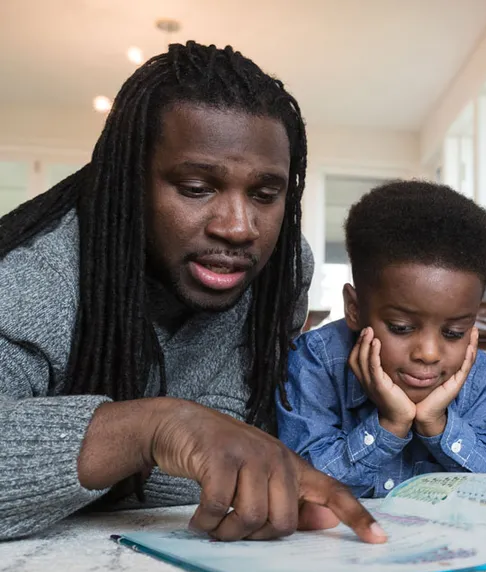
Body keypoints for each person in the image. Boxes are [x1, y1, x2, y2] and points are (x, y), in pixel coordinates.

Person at [0, 41, 385, 544]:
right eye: (197, 188)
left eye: (265, 195)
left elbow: (244, 429)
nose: (239, 227)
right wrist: (152, 429)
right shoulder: (33, 279)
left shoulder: (282, 271)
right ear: (129, 183)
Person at [277, 181, 486, 497]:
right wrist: (390, 425)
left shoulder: (484, 381)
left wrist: (437, 424)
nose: (429, 353)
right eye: (401, 327)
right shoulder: (316, 363)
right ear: (354, 309)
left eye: (454, 333)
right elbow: (299, 482)